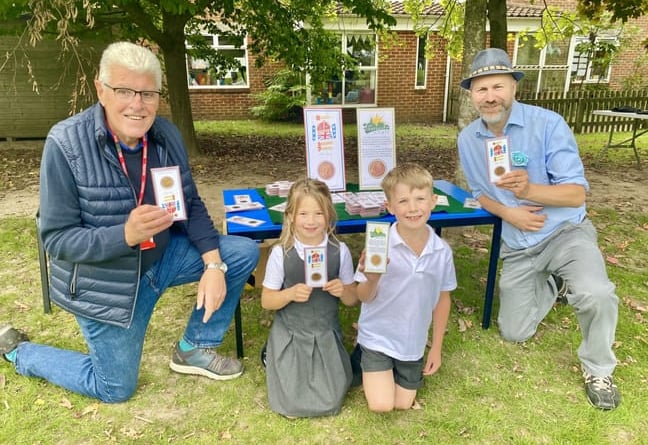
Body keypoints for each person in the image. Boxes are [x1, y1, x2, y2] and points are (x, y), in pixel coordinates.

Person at [0, 41, 259, 403]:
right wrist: (126, 234)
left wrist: (213, 265)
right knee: (115, 388)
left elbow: (190, 204)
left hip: (162, 261)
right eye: (124, 90)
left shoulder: (165, 135)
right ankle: (18, 352)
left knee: (241, 252)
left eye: (148, 93)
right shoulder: (65, 143)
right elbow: (56, 240)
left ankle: (194, 347)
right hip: (107, 283)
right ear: (101, 90)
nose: (137, 104)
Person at [457, 48, 620, 410]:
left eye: (497, 86)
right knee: (514, 332)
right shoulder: (469, 138)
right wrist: (509, 213)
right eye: (481, 90)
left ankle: (599, 368)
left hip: (565, 234)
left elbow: (577, 194)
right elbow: (479, 193)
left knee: (595, 293)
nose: (490, 97)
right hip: (518, 243)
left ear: (514, 87)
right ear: (471, 94)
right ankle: (555, 284)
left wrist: (530, 191)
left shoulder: (547, 124)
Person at [354, 163, 456, 412]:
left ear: (433, 201)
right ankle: (364, 354)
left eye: (420, 199)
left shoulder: (442, 252)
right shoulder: (380, 245)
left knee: (402, 404)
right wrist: (372, 279)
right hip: (377, 337)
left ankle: (385, 369)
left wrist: (436, 349)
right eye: (403, 201)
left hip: (412, 342)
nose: (413, 208)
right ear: (389, 207)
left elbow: (443, 300)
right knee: (382, 405)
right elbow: (363, 297)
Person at [261, 177, 358, 418]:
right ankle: (273, 354)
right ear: (291, 216)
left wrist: (343, 290)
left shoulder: (339, 251)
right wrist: (290, 293)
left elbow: (352, 299)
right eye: (303, 214)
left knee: (331, 401)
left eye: (318, 213)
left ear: (329, 215)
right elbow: (267, 300)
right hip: (292, 335)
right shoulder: (280, 253)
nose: (311, 221)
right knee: (291, 403)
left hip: (325, 334)